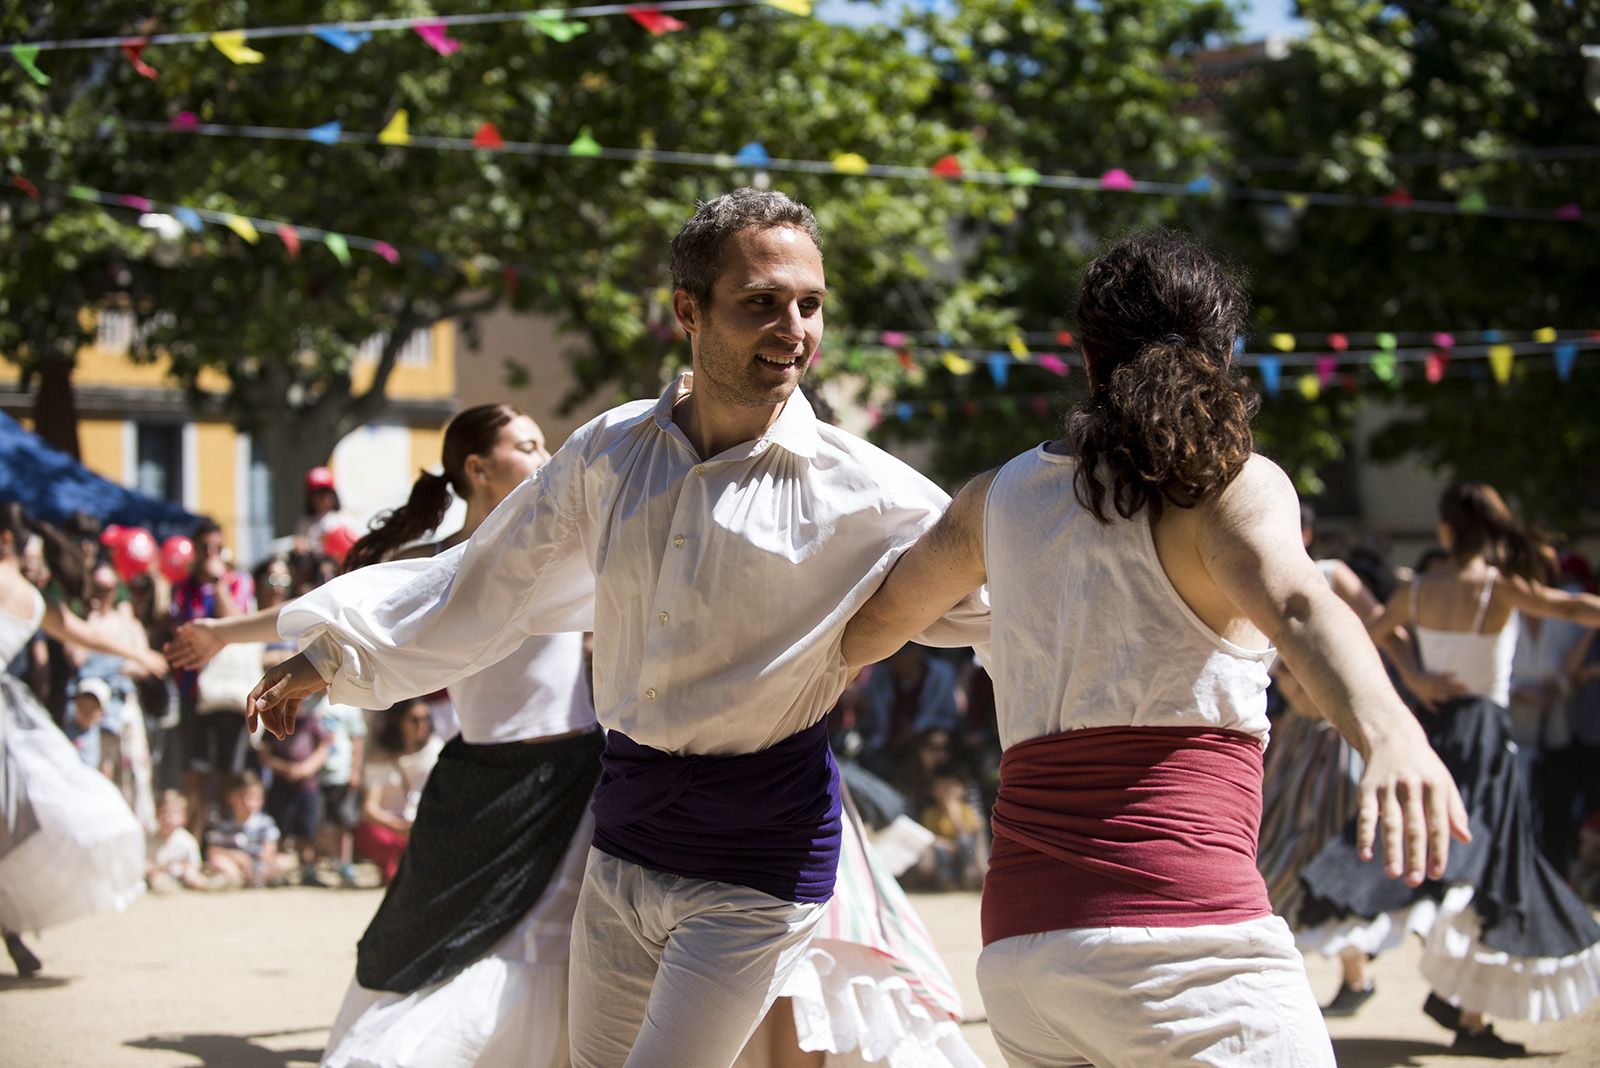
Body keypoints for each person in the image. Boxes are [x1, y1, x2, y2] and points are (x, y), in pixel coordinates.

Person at [245, 188, 988, 1068]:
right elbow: (485, 582)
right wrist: (334, 653)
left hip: (762, 856)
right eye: (761, 302)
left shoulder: (869, 490)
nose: (794, 327)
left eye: (810, 303)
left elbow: (1016, 620)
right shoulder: (610, 450)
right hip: (625, 839)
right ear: (688, 310)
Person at [841, 230, 1467, 1067]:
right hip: (1181, 939)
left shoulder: (994, 500)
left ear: (1087, 360)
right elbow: (1298, 605)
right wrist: (1393, 733)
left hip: (1023, 954)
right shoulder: (1228, 488)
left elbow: (874, 623)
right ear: (1227, 352)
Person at [1298, 481, 1600, 1054]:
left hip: (1431, 735)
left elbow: (1370, 635)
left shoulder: (1420, 590)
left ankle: (1465, 1011)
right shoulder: (1500, 590)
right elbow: (1570, 606)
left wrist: (1412, 673)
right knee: (1486, 868)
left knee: (1445, 862)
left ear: (1444, 532)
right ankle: (1468, 1016)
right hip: (1484, 740)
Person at [0, 503, 166, 976]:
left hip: (9, 724)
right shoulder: (34, 598)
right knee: (13, 831)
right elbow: (87, 635)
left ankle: (11, 928)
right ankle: (11, 930)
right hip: (9, 725)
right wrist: (139, 652)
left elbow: (85, 635)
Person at [170, 518, 255, 838]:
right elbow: (180, 631)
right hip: (193, 688)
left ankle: (228, 838)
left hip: (229, 690)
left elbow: (237, 623)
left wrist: (219, 585)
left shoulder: (238, 582)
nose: (210, 554)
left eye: (216, 548)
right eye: (204, 548)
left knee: (229, 770)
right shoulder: (182, 589)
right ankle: (196, 839)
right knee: (195, 770)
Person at [204, 770, 294, 888]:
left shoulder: (265, 822)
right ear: (231, 798)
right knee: (218, 861)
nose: (249, 804)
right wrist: (237, 857)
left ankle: (253, 880)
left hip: (258, 866)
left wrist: (255, 861)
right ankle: (236, 879)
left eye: (256, 798)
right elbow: (213, 850)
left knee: (285, 862)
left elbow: (269, 850)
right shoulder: (223, 823)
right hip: (234, 864)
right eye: (245, 797)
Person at [145, 789, 206, 892]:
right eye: (164, 813)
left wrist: (185, 868)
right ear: (156, 815)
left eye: (173, 814)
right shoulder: (148, 839)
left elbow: (195, 864)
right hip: (158, 875)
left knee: (191, 876)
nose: (168, 819)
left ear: (183, 817)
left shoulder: (187, 840)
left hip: (180, 875)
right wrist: (157, 869)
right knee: (157, 880)